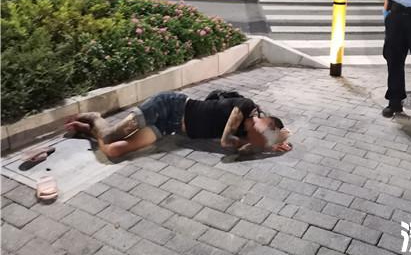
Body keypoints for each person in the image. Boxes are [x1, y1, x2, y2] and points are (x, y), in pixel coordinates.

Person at [66, 91, 292, 159]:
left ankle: (90, 131)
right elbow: (225, 142)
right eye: (267, 132)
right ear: (266, 121)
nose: (262, 136)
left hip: (169, 127)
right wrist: (268, 144)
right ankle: (95, 118)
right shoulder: (244, 105)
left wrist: (269, 147)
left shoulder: (244, 134)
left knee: (114, 150)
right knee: (110, 136)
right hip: (167, 105)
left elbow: (244, 149)